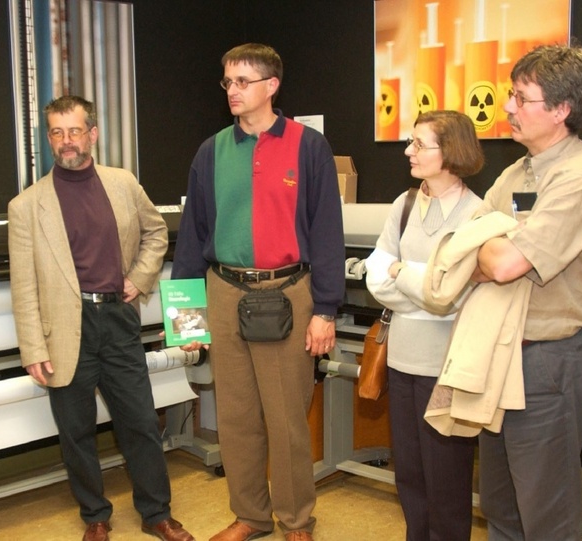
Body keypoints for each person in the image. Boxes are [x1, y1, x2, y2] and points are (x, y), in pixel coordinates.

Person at [171, 43, 345, 541]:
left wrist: (326, 309)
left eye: (244, 81)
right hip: (224, 291)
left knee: (287, 419)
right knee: (237, 416)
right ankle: (250, 515)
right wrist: (186, 319)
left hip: (288, 294)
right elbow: (191, 237)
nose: (233, 90)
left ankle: (296, 521)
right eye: (227, 81)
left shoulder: (308, 147)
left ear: (271, 86)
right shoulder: (211, 151)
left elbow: (327, 232)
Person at [8, 95, 194, 541]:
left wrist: (139, 278)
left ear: (92, 133)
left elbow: (155, 233)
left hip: (117, 320)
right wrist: (33, 348)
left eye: (74, 131)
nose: (66, 141)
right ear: (49, 138)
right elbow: (24, 285)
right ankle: (95, 515)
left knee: (142, 423)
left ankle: (157, 514)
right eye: (57, 132)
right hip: (64, 332)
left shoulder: (123, 183)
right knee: (76, 433)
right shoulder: (27, 206)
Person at [471, 44, 582, 540]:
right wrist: (488, 252)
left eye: (520, 98)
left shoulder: (581, 177)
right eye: (510, 95)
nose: (508, 107)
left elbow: (504, 263)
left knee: (546, 517)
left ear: (560, 110)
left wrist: (489, 251)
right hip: (501, 354)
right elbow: (459, 246)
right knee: (502, 508)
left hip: (546, 363)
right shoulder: (516, 172)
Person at [366, 110, 484, 540]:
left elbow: (451, 295)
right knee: (411, 475)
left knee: (447, 480)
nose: (408, 151)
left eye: (419, 144)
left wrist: (404, 274)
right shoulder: (404, 204)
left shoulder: (478, 214)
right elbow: (376, 278)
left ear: (450, 151)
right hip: (400, 359)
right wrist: (421, 285)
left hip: (449, 366)